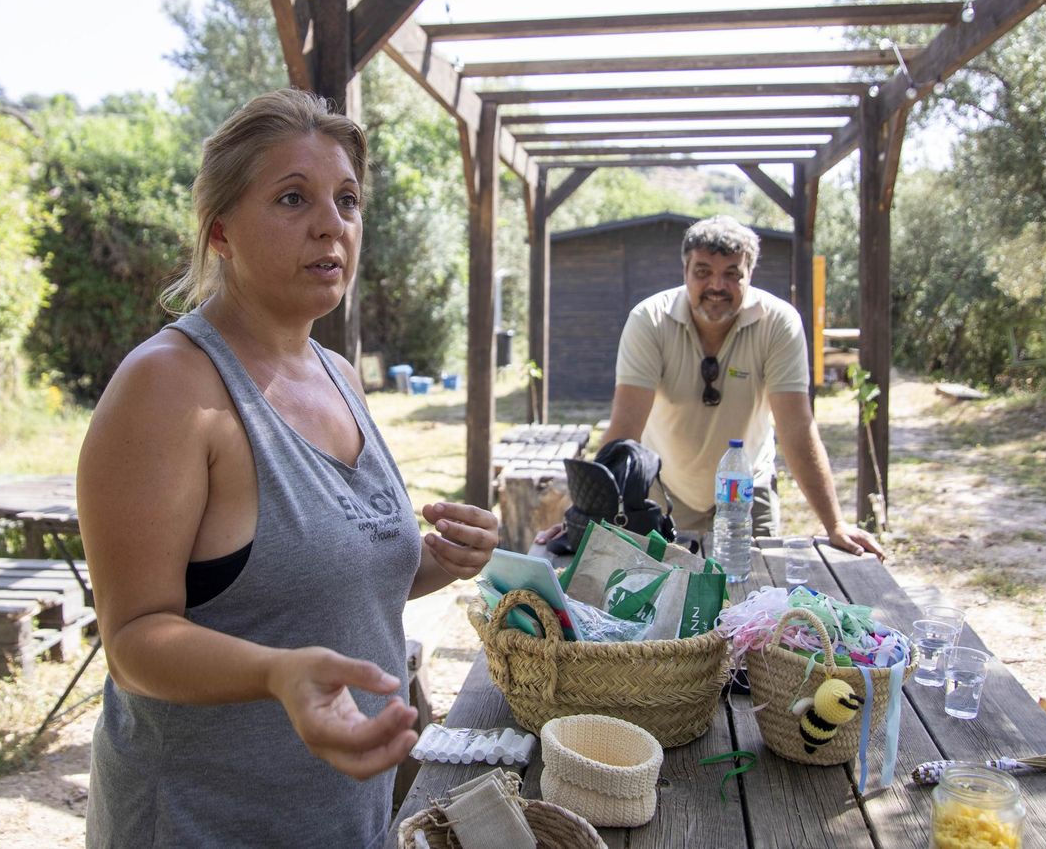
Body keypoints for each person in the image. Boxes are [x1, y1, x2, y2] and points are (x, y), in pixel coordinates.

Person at [77, 89, 500, 849]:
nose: (330, 223)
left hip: (340, 818)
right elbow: (135, 638)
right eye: (292, 198)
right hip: (202, 824)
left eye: (347, 200)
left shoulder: (337, 373)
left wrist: (436, 559)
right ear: (221, 233)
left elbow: (316, 585)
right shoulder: (169, 386)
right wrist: (276, 673)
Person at [549, 216, 883, 560]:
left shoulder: (778, 322)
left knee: (755, 597)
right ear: (685, 271)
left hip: (746, 489)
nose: (717, 285)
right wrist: (583, 516)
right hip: (665, 490)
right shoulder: (649, 320)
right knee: (662, 600)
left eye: (732, 274)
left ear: (749, 275)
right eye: (703, 271)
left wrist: (835, 525)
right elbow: (624, 432)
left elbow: (796, 426)